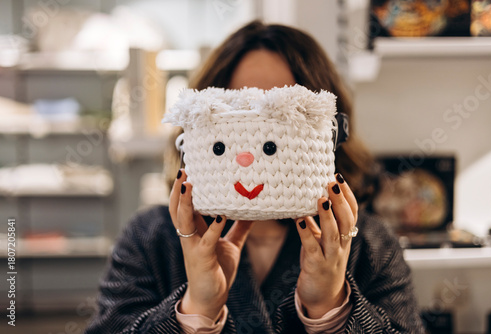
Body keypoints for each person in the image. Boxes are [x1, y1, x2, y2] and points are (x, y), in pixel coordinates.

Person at [86, 20, 425, 334]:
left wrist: (331, 308)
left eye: (278, 115)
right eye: (240, 113)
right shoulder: (152, 239)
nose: (251, 143)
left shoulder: (368, 243)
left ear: (331, 132)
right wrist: (196, 310)